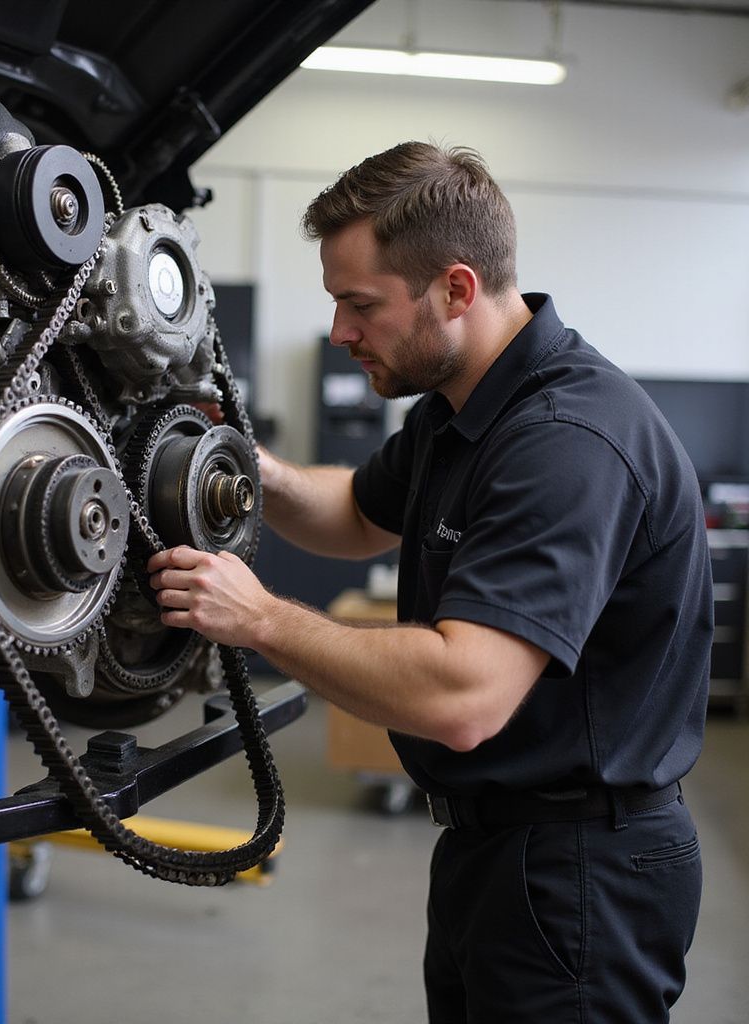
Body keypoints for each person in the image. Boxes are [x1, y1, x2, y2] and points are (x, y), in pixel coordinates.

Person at [147, 141, 712, 1023]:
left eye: (359, 305)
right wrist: (247, 470)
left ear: (455, 289)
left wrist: (261, 620)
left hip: (579, 870)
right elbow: (354, 515)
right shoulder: (462, 408)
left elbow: (465, 694)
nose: (340, 333)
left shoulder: (565, 440)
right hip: (495, 847)